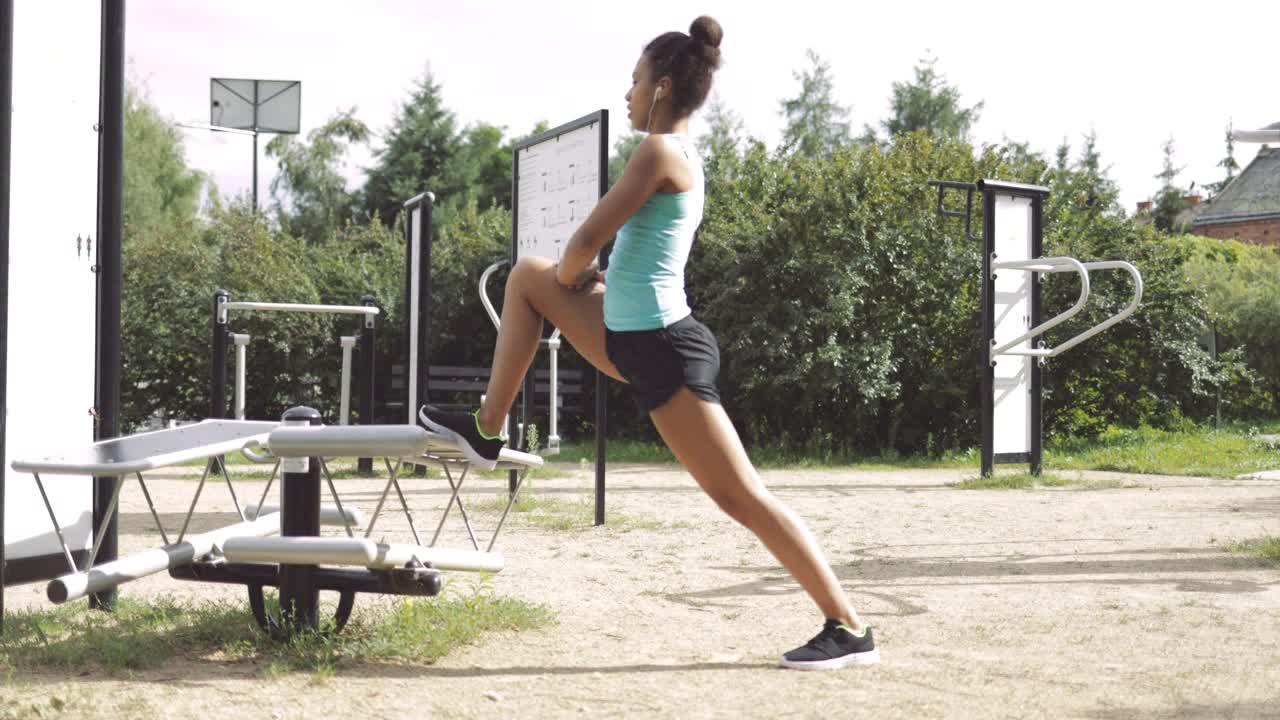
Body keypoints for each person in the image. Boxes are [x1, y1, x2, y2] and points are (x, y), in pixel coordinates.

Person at [420, 16, 878, 670]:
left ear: (662, 87)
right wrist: (583, 281)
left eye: (635, 81)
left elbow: (584, 242)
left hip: (663, 348)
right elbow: (625, 258)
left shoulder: (660, 151)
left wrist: (575, 277)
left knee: (740, 497)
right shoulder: (678, 155)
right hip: (630, 336)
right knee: (526, 278)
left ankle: (849, 626)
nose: (627, 93)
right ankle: (487, 428)